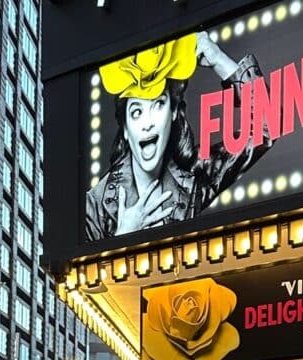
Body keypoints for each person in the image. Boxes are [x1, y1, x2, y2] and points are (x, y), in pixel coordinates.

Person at [86, 32, 272, 240]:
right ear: (126, 130)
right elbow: (67, 269)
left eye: (158, 105)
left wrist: (218, 59)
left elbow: (268, 126)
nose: (147, 123)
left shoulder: (195, 178)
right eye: (136, 112)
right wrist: (123, 237)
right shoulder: (95, 204)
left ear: (173, 112)